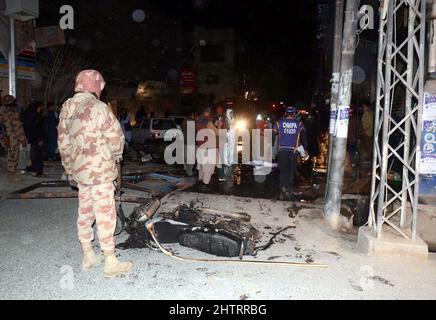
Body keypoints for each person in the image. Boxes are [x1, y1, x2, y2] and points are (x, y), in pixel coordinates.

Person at [58, 69, 132, 278]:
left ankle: (88, 254)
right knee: (105, 213)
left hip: (80, 172)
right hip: (99, 171)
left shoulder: (67, 108)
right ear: (95, 86)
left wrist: (70, 169)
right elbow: (116, 139)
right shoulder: (99, 107)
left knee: (85, 211)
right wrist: (117, 155)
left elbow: (63, 143)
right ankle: (110, 261)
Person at [273, 106, 308, 201]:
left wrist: (271, 146)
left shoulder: (278, 123)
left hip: (282, 151)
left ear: (285, 113)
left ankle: (282, 190)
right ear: (293, 114)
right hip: (293, 151)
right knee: (290, 172)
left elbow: (273, 134)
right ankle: (288, 191)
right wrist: (305, 148)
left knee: (283, 172)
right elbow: (304, 136)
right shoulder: (299, 124)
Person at [0, 95, 27, 182]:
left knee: (14, 156)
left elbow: (18, 127)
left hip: (13, 137)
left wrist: (22, 138)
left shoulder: (9, 112)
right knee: (12, 156)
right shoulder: (8, 113)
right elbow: (17, 126)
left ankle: (12, 172)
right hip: (10, 137)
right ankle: (11, 175)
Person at [195, 107, 219, 192]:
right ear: (208, 113)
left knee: (202, 166)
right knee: (208, 167)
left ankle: (201, 180)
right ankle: (205, 184)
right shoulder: (208, 122)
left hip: (201, 147)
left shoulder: (198, 120)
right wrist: (218, 126)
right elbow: (217, 132)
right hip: (208, 148)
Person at [27, 102, 46, 177]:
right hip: (37, 140)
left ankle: (35, 170)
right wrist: (40, 139)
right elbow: (38, 129)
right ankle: (39, 172)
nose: (42, 108)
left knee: (34, 155)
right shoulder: (37, 117)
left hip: (33, 139)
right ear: (39, 107)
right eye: (41, 107)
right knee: (39, 156)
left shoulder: (32, 116)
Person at [182, 111, 198, 176]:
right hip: (191, 142)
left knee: (186, 156)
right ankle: (190, 172)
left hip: (185, 141)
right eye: (196, 116)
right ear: (193, 115)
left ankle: (185, 168)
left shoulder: (184, 121)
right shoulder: (192, 122)